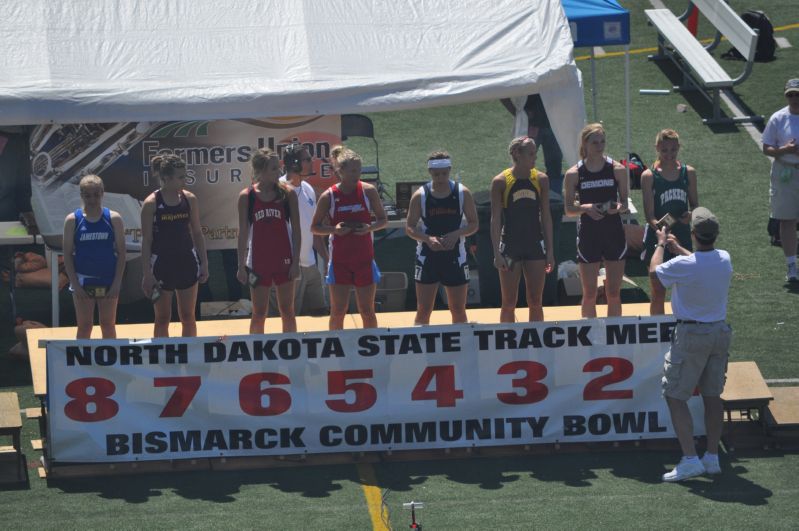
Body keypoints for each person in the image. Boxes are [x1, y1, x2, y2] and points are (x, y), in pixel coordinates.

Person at [649, 207, 733, 482]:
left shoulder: (684, 266)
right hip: (719, 333)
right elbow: (701, 263)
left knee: (674, 395)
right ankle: (711, 457)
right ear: (715, 235)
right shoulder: (724, 258)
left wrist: (662, 244)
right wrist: (681, 248)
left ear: (695, 234)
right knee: (712, 396)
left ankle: (689, 459)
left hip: (692, 336)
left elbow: (654, 273)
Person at [311, 146, 387, 330]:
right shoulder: (329, 196)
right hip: (340, 262)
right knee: (338, 310)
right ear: (340, 171)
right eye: (353, 171)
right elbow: (314, 227)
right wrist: (334, 230)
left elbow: (383, 220)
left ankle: (372, 346)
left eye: (359, 170)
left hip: (364, 260)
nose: (357, 174)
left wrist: (369, 228)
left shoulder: (369, 191)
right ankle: (335, 349)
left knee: (367, 310)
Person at [563, 123, 629, 318]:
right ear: (585, 144)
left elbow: (625, 203)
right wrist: (586, 208)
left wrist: (615, 208)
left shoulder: (617, 169)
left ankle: (613, 336)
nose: (600, 146)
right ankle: (589, 340)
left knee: (614, 293)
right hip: (589, 236)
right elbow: (568, 209)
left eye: (602, 142)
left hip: (613, 234)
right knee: (590, 293)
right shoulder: (574, 174)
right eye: (595, 142)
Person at [405, 151, 478, 324]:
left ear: (450, 170)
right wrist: (427, 239)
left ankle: (462, 347)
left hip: (455, 257)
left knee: (458, 309)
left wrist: (457, 234)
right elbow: (409, 227)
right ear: (430, 172)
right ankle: (421, 347)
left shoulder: (462, 193)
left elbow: (474, 224)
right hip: (427, 257)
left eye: (444, 174)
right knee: (423, 309)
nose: (440, 178)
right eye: (436, 174)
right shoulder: (420, 196)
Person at [140, 154, 209, 337]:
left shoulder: (190, 199)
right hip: (162, 265)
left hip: (187, 262)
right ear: (167, 178)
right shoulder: (151, 203)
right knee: (162, 318)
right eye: (180, 177)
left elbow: (197, 232)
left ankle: (190, 358)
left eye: (184, 176)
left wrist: (204, 264)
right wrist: (147, 274)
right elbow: (146, 241)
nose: (184, 180)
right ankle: (163, 361)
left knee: (188, 316)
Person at [490, 137, 555, 322]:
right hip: (510, 248)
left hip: (535, 246)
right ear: (517, 154)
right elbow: (495, 220)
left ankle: (536, 345)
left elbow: (546, 217)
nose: (535, 158)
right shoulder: (500, 181)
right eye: (531, 154)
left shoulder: (541, 179)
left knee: (535, 301)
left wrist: (550, 251)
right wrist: (497, 253)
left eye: (536, 154)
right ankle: (507, 345)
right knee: (509, 302)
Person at [237, 147, 301, 333]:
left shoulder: (287, 194)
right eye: (274, 168)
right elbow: (242, 234)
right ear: (261, 171)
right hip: (258, 263)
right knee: (258, 313)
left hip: (284, 260)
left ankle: (292, 353)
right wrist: (241, 266)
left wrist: (295, 262)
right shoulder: (247, 197)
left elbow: (296, 231)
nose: (279, 171)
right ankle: (256, 356)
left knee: (288, 311)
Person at [640, 129, 698, 315]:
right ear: (657, 148)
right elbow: (649, 216)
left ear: (679, 148)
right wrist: (661, 232)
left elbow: (696, 206)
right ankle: (657, 332)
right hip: (659, 240)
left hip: (682, 238)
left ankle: (683, 326)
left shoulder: (688, 172)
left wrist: (690, 215)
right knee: (658, 291)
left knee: (685, 289)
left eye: (673, 149)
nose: (669, 154)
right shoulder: (649, 176)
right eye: (664, 150)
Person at [62, 175, 126, 339]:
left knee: (108, 325)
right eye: (88, 195)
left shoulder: (113, 218)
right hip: (83, 280)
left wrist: (117, 283)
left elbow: (121, 253)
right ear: (82, 195)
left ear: (102, 193)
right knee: (84, 326)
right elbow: (67, 255)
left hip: (108, 280)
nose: (92, 199)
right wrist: (75, 284)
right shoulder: (72, 220)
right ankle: (82, 364)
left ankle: (112, 363)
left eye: (96, 195)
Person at [269, 142, 328, 316]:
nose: (312, 163)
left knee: (320, 314)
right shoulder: (277, 190)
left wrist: (327, 258)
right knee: (286, 318)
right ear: (294, 163)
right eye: (308, 159)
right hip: (287, 268)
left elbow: (313, 230)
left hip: (310, 265)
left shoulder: (308, 189)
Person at [762, 78, 799, 283]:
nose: (794, 98)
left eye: (797, 94)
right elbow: (766, 147)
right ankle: (791, 265)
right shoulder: (778, 118)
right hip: (785, 172)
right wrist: (784, 150)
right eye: (790, 95)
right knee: (786, 219)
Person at [501, 95, 564, 195]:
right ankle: (519, 194)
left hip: (552, 124)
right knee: (522, 163)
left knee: (555, 165)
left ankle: (555, 199)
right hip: (531, 124)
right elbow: (503, 94)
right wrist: (518, 113)